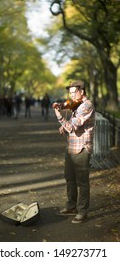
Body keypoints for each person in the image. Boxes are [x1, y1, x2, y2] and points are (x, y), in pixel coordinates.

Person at [53, 80, 95, 223]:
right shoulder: (76, 105)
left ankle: (83, 211)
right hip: (72, 146)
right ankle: (71, 206)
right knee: (69, 177)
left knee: (82, 181)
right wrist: (64, 127)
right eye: (69, 92)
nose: (70, 96)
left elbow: (73, 126)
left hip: (82, 147)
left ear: (81, 91)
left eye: (73, 92)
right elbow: (70, 125)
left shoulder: (86, 105)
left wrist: (60, 116)